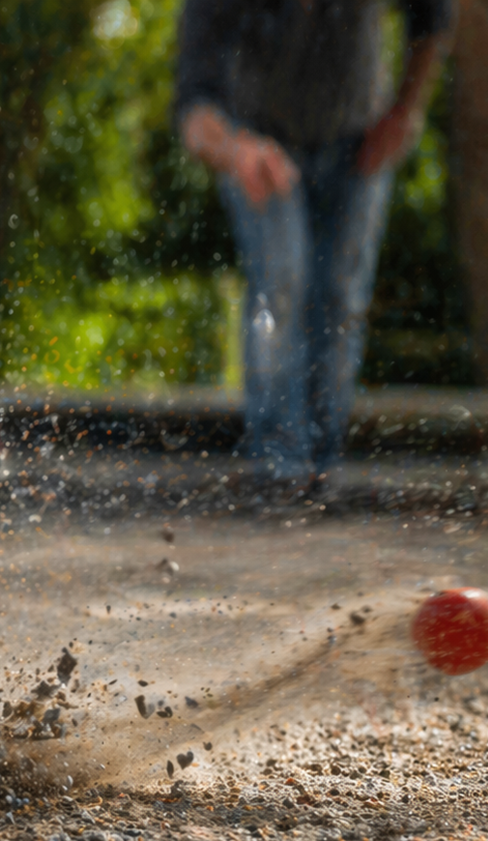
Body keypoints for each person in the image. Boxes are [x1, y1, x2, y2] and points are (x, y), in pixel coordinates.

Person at [176, 0, 454, 489]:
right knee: (280, 282)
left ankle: (324, 466)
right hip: (259, 144)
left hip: (359, 136)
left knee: (340, 294)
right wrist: (235, 151)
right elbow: (193, 107)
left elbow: (433, 18)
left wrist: (406, 112)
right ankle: (278, 464)